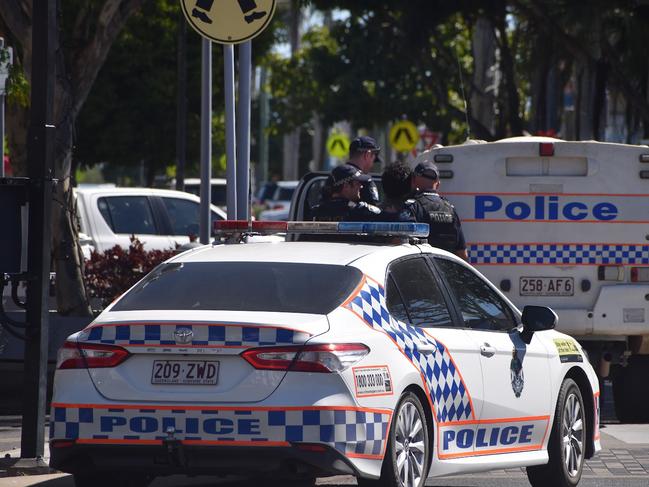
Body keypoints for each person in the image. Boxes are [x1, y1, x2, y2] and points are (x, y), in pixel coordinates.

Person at [409, 160, 469, 261]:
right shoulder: (450, 209)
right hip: (446, 270)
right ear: (438, 184)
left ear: (414, 181)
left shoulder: (413, 206)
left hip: (422, 269)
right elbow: (462, 254)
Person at [311, 164, 382, 222]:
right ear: (346, 186)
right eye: (357, 183)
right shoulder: (363, 212)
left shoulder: (314, 213)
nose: (361, 186)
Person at [346, 136, 382, 205]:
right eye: (373, 159)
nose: (372, 164)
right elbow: (373, 212)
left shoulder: (333, 178)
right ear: (367, 155)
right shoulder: (365, 182)